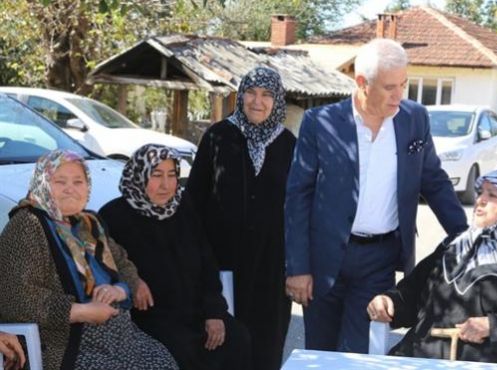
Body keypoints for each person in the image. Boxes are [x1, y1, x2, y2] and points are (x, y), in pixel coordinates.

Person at [284, 38, 468, 354]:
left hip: (379, 260)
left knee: (360, 351)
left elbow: (434, 181)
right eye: (389, 87)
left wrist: (466, 237)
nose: (399, 95)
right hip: (324, 259)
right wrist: (297, 267)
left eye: (404, 84)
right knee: (321, 353)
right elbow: (298, 195)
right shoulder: (321, 123)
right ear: (362, 83)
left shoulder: (415, 119)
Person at [367, 169, 497, 365]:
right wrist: (388, 301)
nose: (480, 200)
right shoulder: (453, 248)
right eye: (480, 192)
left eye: (492, 195)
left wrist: (494, 327)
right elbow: (410, 296)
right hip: (420, 359)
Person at [0, 150, 178, 370]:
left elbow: (123, 264)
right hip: (69, 342)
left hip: (122, 337)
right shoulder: (28, 224)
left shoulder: (89, 222)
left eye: (78, 181)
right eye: (60, 181)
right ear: (42, 183)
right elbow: (16, 298)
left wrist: (120, 290)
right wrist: (83, 311)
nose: (70, 189)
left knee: (163, 361)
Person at [99, 144, 251, 370]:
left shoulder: (183, 207)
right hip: (148, 316)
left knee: (238, 338)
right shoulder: (114, 215)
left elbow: (207, 262)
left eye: (172, 175)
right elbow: (107, 264)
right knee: (180, 350)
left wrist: (214, 313)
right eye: (157, 175)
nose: (166, 184)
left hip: (195, 310)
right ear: (139, 175)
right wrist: (133, 281)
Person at [186, 66, 295, 370]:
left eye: (266, 95)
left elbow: (298, 209)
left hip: (270, 268)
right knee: (222, 344)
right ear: (241, 94)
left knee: (266, 346)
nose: (257, 101)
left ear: (278, 101)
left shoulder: (288, 145)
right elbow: (193, 200)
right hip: (221, 264)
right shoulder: (218, 137)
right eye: (251, 92)